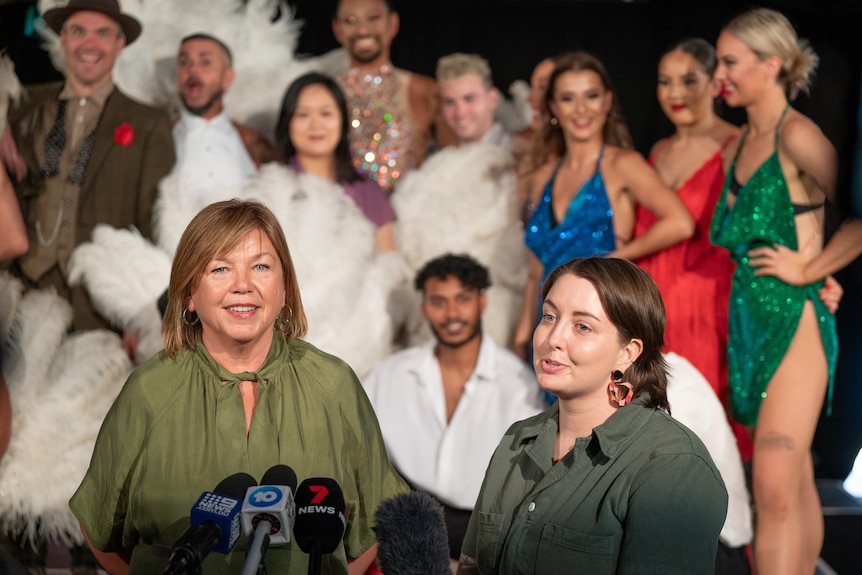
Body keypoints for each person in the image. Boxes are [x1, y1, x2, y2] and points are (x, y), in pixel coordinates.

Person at [69, 199, 408, 575]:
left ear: (284, 289)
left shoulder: (334, 385)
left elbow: (378, 520)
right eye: (220, 269)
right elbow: (99, 529)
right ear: (189, 294)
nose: (243, 285)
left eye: (261, 266)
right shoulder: (149, 391)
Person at [457, 257, 727, 574]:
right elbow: (471, 566)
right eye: (548, 316)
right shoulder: (516, 441)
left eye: (582, 326)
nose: (553, 338)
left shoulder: (672, 464)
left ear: (627, 353)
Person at [711, 8, 862, 574]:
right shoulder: (739, 143)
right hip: (749, 327)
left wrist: (812, 271)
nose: (719, 74)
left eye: (730, 62)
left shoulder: (796, 134)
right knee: (791, 482)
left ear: (770, 64)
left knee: (771, 486)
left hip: (795, 323)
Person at [362, 254, 546, 570]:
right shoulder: (390, 374)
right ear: (424, 308)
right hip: (403, 522)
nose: (451, 313)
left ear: (482, 302)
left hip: (485, 532)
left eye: (462, 299)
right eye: (439, 302)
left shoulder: (517, 383)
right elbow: (357, 448)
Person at [1, 0, 174, 332]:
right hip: (18, 294)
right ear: (63, 38)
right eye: (78, 31)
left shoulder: (149, 123)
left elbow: (152, 226)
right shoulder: (20, 106)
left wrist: (145, 314)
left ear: (119, 44)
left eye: (103, 33)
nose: (90, 44)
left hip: (96, 311)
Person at [513, 51, 694, 361]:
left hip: (595, 328)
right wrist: (521, 334)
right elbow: (535, 269)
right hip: (547, 329)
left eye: (591, 96)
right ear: (554, 107)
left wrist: (615, 258)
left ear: (607, 101)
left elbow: (680, 222)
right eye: (569, 98)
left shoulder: (622, 164)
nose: (582, 108)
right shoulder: (544, 173)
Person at [631, 38, 752, 457]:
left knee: (701, 428)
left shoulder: (737, 144)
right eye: (666, 82)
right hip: (651, 304)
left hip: (704, 301)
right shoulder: (658, 150)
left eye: (689, 81)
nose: (676, 93)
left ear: (715, 84)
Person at [332, 0, 456, 192]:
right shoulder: (324, 94)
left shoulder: (422, 90)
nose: (363, 29)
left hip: (409, 218)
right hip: (343, 216)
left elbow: (463, 155)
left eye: (373, 17)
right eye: (350, 20)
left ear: (393, 23)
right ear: (337, 29)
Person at [274, 72, 396, 253]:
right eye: (303, 114)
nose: (316, 124)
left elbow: (388, 264)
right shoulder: (271, 190)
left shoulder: (367, 191)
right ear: (287, 123)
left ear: (343, 122)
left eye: (326, 113)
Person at [171, 32, 278, 207]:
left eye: (205, 62)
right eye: (185, 63)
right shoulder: (159, 136)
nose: (192, 70)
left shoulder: (253, 141)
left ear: (227, 77)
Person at [436, 53, 508, 148]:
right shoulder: (442, 157)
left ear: (493, 99)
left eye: (469, 99)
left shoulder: (517, 155)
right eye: (449, 102)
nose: (460, 112)